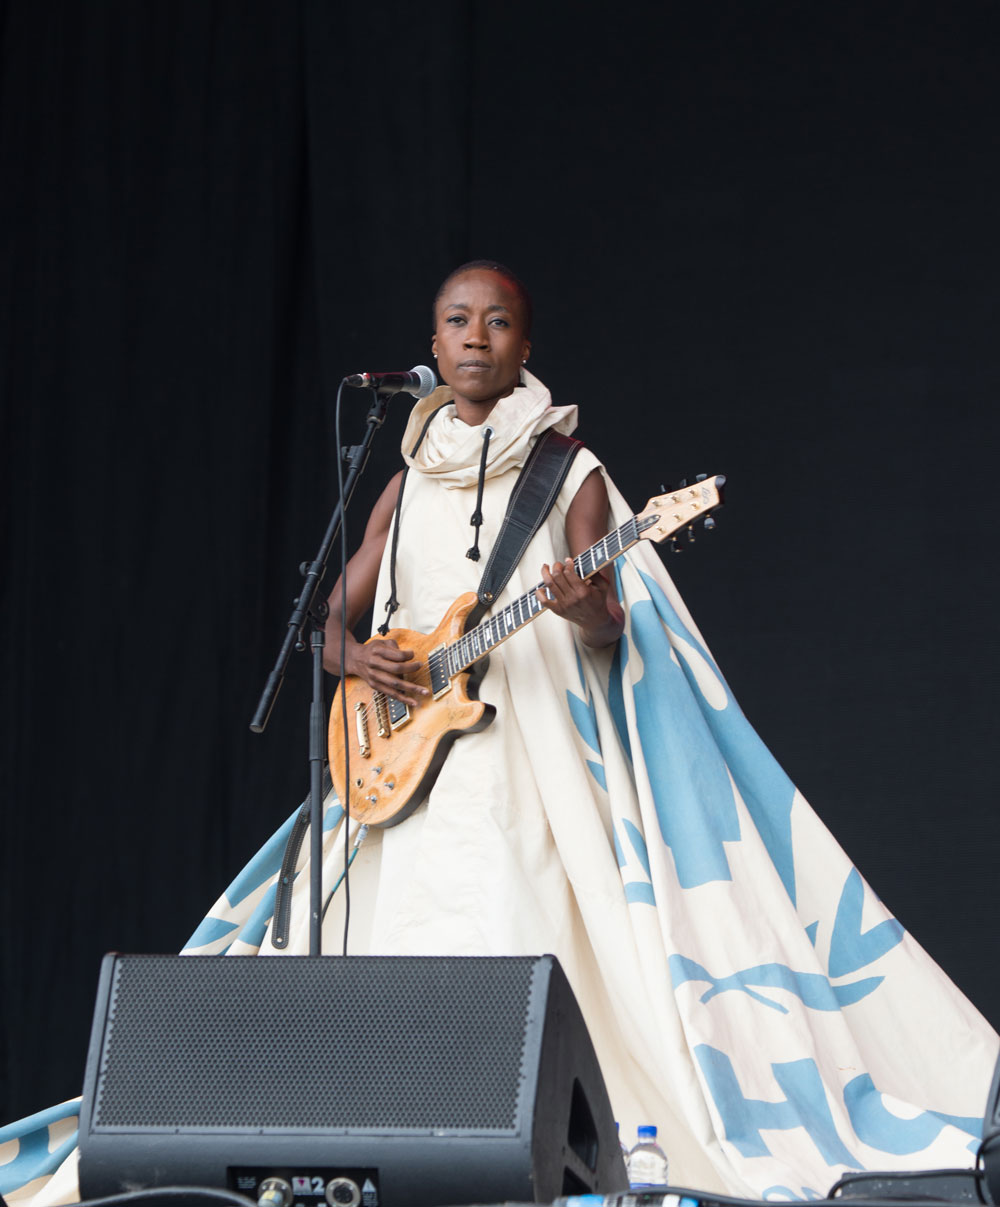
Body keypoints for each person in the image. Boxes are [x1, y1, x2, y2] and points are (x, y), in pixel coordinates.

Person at [3, 262, 997, 1204]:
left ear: (527, 346)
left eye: (498, 322)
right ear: (429, 342)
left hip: (525, 751)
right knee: (379, 944)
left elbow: (607, 624)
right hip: (396, 758)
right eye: (457, 321)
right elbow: (325, 623)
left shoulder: (570, 472)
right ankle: (375, 1145)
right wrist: (358, 660)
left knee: (500, 925)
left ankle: (496, 1149)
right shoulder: (398, 478)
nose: (476, 336)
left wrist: (573, 602)